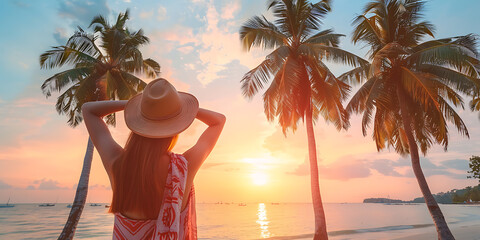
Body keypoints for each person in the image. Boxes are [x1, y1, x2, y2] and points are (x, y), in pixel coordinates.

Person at [82, 78, 226, 239]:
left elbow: (88, 110)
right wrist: (177, 107)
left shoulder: (116, 162)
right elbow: (219, 121)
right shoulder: (184, 167)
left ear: (138, 121)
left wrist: (142, 105)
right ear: (176, 127)